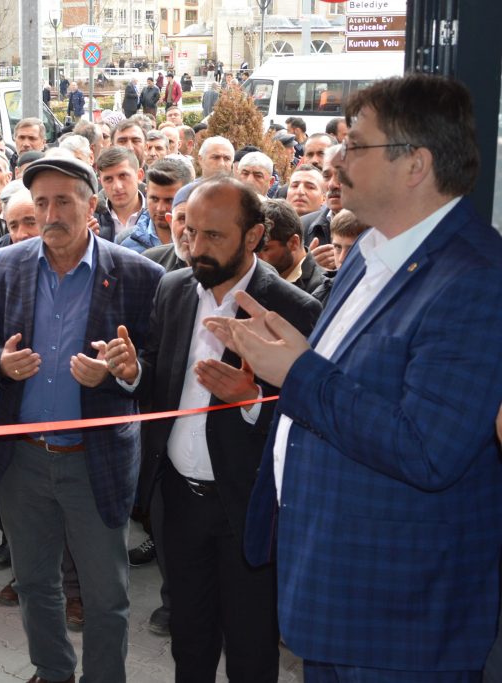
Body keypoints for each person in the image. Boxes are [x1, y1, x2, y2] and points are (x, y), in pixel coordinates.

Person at [207, 73, 502, 682]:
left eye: (356, 144)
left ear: (415, 164)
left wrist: (296, 372)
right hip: (334, 588)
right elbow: (346, 386)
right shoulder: (369, 251)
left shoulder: (476, 278)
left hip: (400, 619)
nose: (336, 159)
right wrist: (291, 358)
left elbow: (428, 449)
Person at [106, 176, 320, 683]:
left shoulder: (293, 310)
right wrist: (134, 371)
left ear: (253, 236)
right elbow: (160, 370)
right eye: (190, 231)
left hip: (249, 509)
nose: (196, 249)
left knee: (250, 650)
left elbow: (314, 418)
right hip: (177, 504)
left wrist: (251, 403)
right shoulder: (175, 287)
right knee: (190, 642)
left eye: (214, 237)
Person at [0, 156, 164, 683]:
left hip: (94, 461)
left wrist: (122, 372)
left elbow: (151, 369)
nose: (50, 213)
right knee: (36, 583)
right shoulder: (8, 264)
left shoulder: (139, 274)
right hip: (23, 460)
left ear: (91, 208)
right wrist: (1, 363)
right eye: (41, 203)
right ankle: (52, 670)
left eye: (64, 201)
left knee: (106, 594)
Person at [258, 198, 325, 296]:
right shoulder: (254, 279)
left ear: (293, 243)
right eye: (252, 249)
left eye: (265, 249)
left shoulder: (320, 288)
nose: (256, 257)